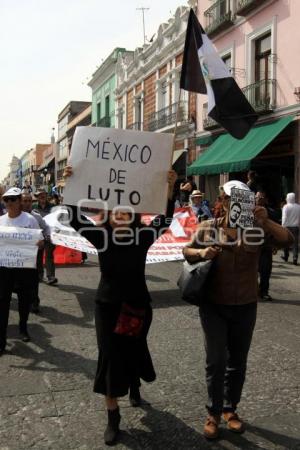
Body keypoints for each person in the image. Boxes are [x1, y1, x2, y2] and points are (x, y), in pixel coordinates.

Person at [63, 165, 177, 445]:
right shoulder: (101, 237)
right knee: (110, 356)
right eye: (115, 213)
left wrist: (170, 189)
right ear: (109, 217)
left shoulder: (143, 237)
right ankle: (113, 419)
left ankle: (135, 383)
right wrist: (71, 185)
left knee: (132, 348)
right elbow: (77, 219)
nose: (120, 216)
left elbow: (165, 221)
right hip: (108, 307)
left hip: (136, 306)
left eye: (125, 212)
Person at [183, 180, 293, 440]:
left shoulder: (256, 229)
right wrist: (202, 254)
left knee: (238, 362)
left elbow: (287, 240)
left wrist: (265, 221)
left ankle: (230, 409)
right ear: (222, 203)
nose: (236, 206)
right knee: (216, 361)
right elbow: (186, 251)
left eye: (242, 201)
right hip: (213, 305)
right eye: (231, 200)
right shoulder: (208, 227)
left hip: (245, 305)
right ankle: (213, 412)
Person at [0, 188, 43, 354]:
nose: (9, 203)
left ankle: (23, 327)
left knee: (25, 300)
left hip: (24, 268)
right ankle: (1, 339)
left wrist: (39, 243)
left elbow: (40, 239)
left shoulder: (30, 220)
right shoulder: (1, 220)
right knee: (2, 302)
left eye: (13, 199)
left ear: (19, 201)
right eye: (6, 200)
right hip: (4, 269)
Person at [21, 192, 51, 313]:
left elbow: (46, 228)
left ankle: (35, 302)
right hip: (20, 254)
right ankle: (26, 300)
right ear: (20, 202)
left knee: (34, 278)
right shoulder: (14, 216)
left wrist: (46, 237)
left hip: (36, 252)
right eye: (25, 201)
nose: (28, 203)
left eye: (29, 201)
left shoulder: (36, 216)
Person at [33, 189, 58, 284]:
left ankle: (51, 277)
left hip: (50, 235)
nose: (42, 196)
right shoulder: (33, 207)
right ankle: (39, 276)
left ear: (46, 195)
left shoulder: (53, 207)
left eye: (43, 194)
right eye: (40, 195)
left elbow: (58, 219)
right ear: (37, 197)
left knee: (49, 256)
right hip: (38, 235)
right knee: (38, 256)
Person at [281, 192, 300, 265]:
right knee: (295, 243)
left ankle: (286, 256)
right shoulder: (298, 207)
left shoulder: (286, 207)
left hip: (287, 227)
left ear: (288, 198)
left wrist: (282, 226)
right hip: (295, 227)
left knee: (286, 242)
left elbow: (284, 217)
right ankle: (295, 257)